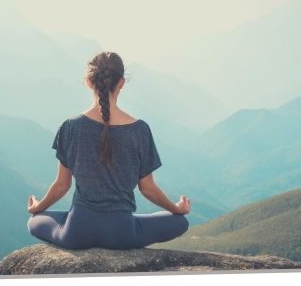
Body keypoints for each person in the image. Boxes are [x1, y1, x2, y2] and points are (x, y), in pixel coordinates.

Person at [26, 51, 190, 250]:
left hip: (77, 232)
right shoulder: (140, 130)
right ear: (121, 82)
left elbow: (62, 185)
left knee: (34, 222)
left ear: (88, 81)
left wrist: (38, 207)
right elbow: (147, 188)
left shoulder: (70, 127)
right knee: (180, 222)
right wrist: (176, 208)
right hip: (122, 234)